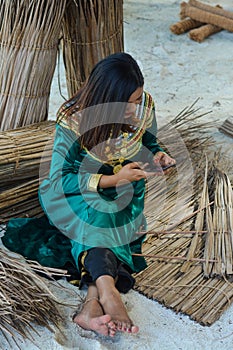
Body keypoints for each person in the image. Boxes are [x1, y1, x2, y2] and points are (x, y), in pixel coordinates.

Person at [2, 52, 175, 337]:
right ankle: (109, 293)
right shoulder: (73, 120)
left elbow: (148, 139)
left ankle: (91, 303)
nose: (135, 108)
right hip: (72, 193)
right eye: (128, 103)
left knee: (110, 212)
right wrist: (112, 179)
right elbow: (60, 179)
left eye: (137, 99)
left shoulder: (142, 106)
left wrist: (158, 155)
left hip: (121, 186)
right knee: (99, 214)